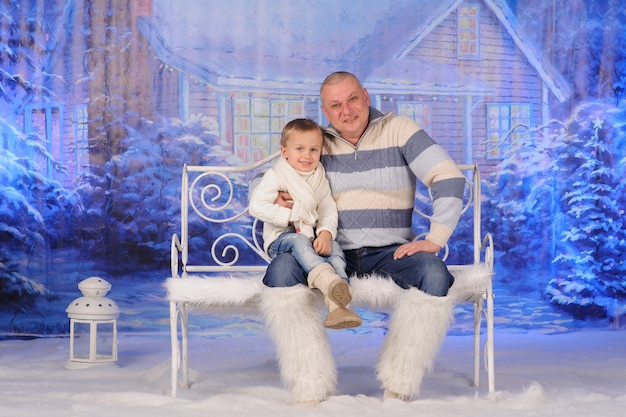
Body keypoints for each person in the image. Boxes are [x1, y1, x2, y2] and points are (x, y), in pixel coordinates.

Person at [257, 71, 467, 406]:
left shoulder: (400, 129)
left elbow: (449, 177)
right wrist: (276, 196)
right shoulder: (318, 141)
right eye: (335, 105)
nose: (347, 111)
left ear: (366, 96)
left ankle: (398, 384)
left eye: (352, 99)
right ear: (326, 111)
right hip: (326, 252)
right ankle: (309, 384)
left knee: (435, 273)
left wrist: (436, 237)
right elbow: (278, 171)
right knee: (281, 271)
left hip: (389, 253)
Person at [249, 118, 362, 329]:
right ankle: (329, 281)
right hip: (280, 239)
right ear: (285, 152)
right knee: (299, 240)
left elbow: (327, 207)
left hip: (310, 239)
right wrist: (289, 215)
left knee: (335, 249)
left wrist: (326, 233)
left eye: (313, 149)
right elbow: (256, 206)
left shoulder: (318, 175)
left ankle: (337, 303)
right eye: (299, 149)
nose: (307, 156)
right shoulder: (277, 175)